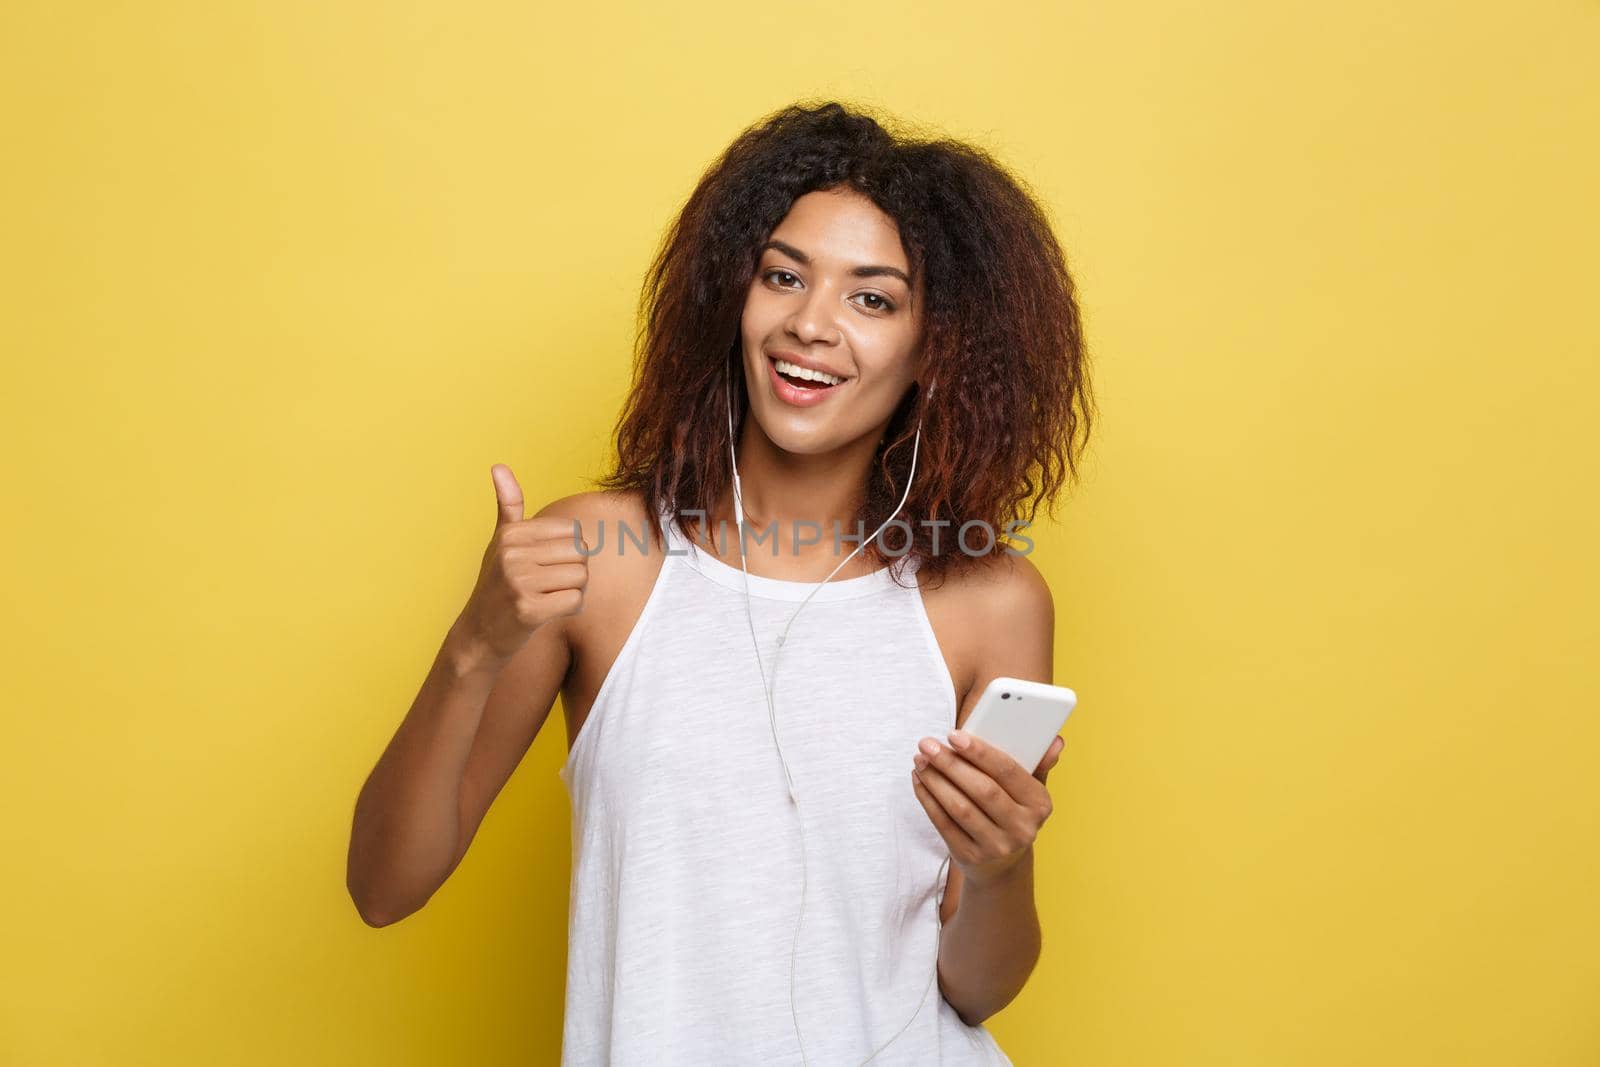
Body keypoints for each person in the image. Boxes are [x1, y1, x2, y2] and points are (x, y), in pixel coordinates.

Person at [346, 100, 1095, 1065]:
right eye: (783, 276)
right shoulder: (599, 558)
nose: (810, 325)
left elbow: (975, 986)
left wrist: (1000, 870)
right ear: (731, 299)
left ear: (934, 352)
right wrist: (473, 648)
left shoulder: (988, 602)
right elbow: (382, 887)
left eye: (873, 298)